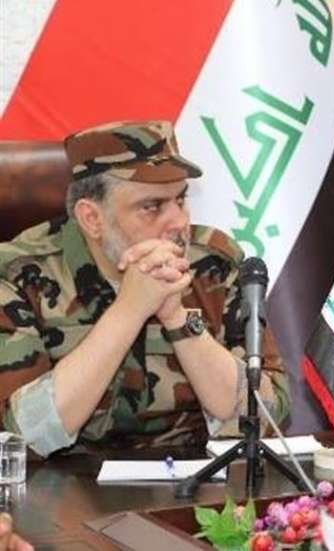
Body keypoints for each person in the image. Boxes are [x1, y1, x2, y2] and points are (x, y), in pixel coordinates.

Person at [0, 121, 289, 457]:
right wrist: (129, 310)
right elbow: (21, 438)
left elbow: (265, 415)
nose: (179, 222)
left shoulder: (215, 262)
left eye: (180, 199)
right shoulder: (19, 275)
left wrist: (178, 318)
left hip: (196, 475)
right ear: (92, 218)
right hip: (67, 484)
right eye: (152, 206)